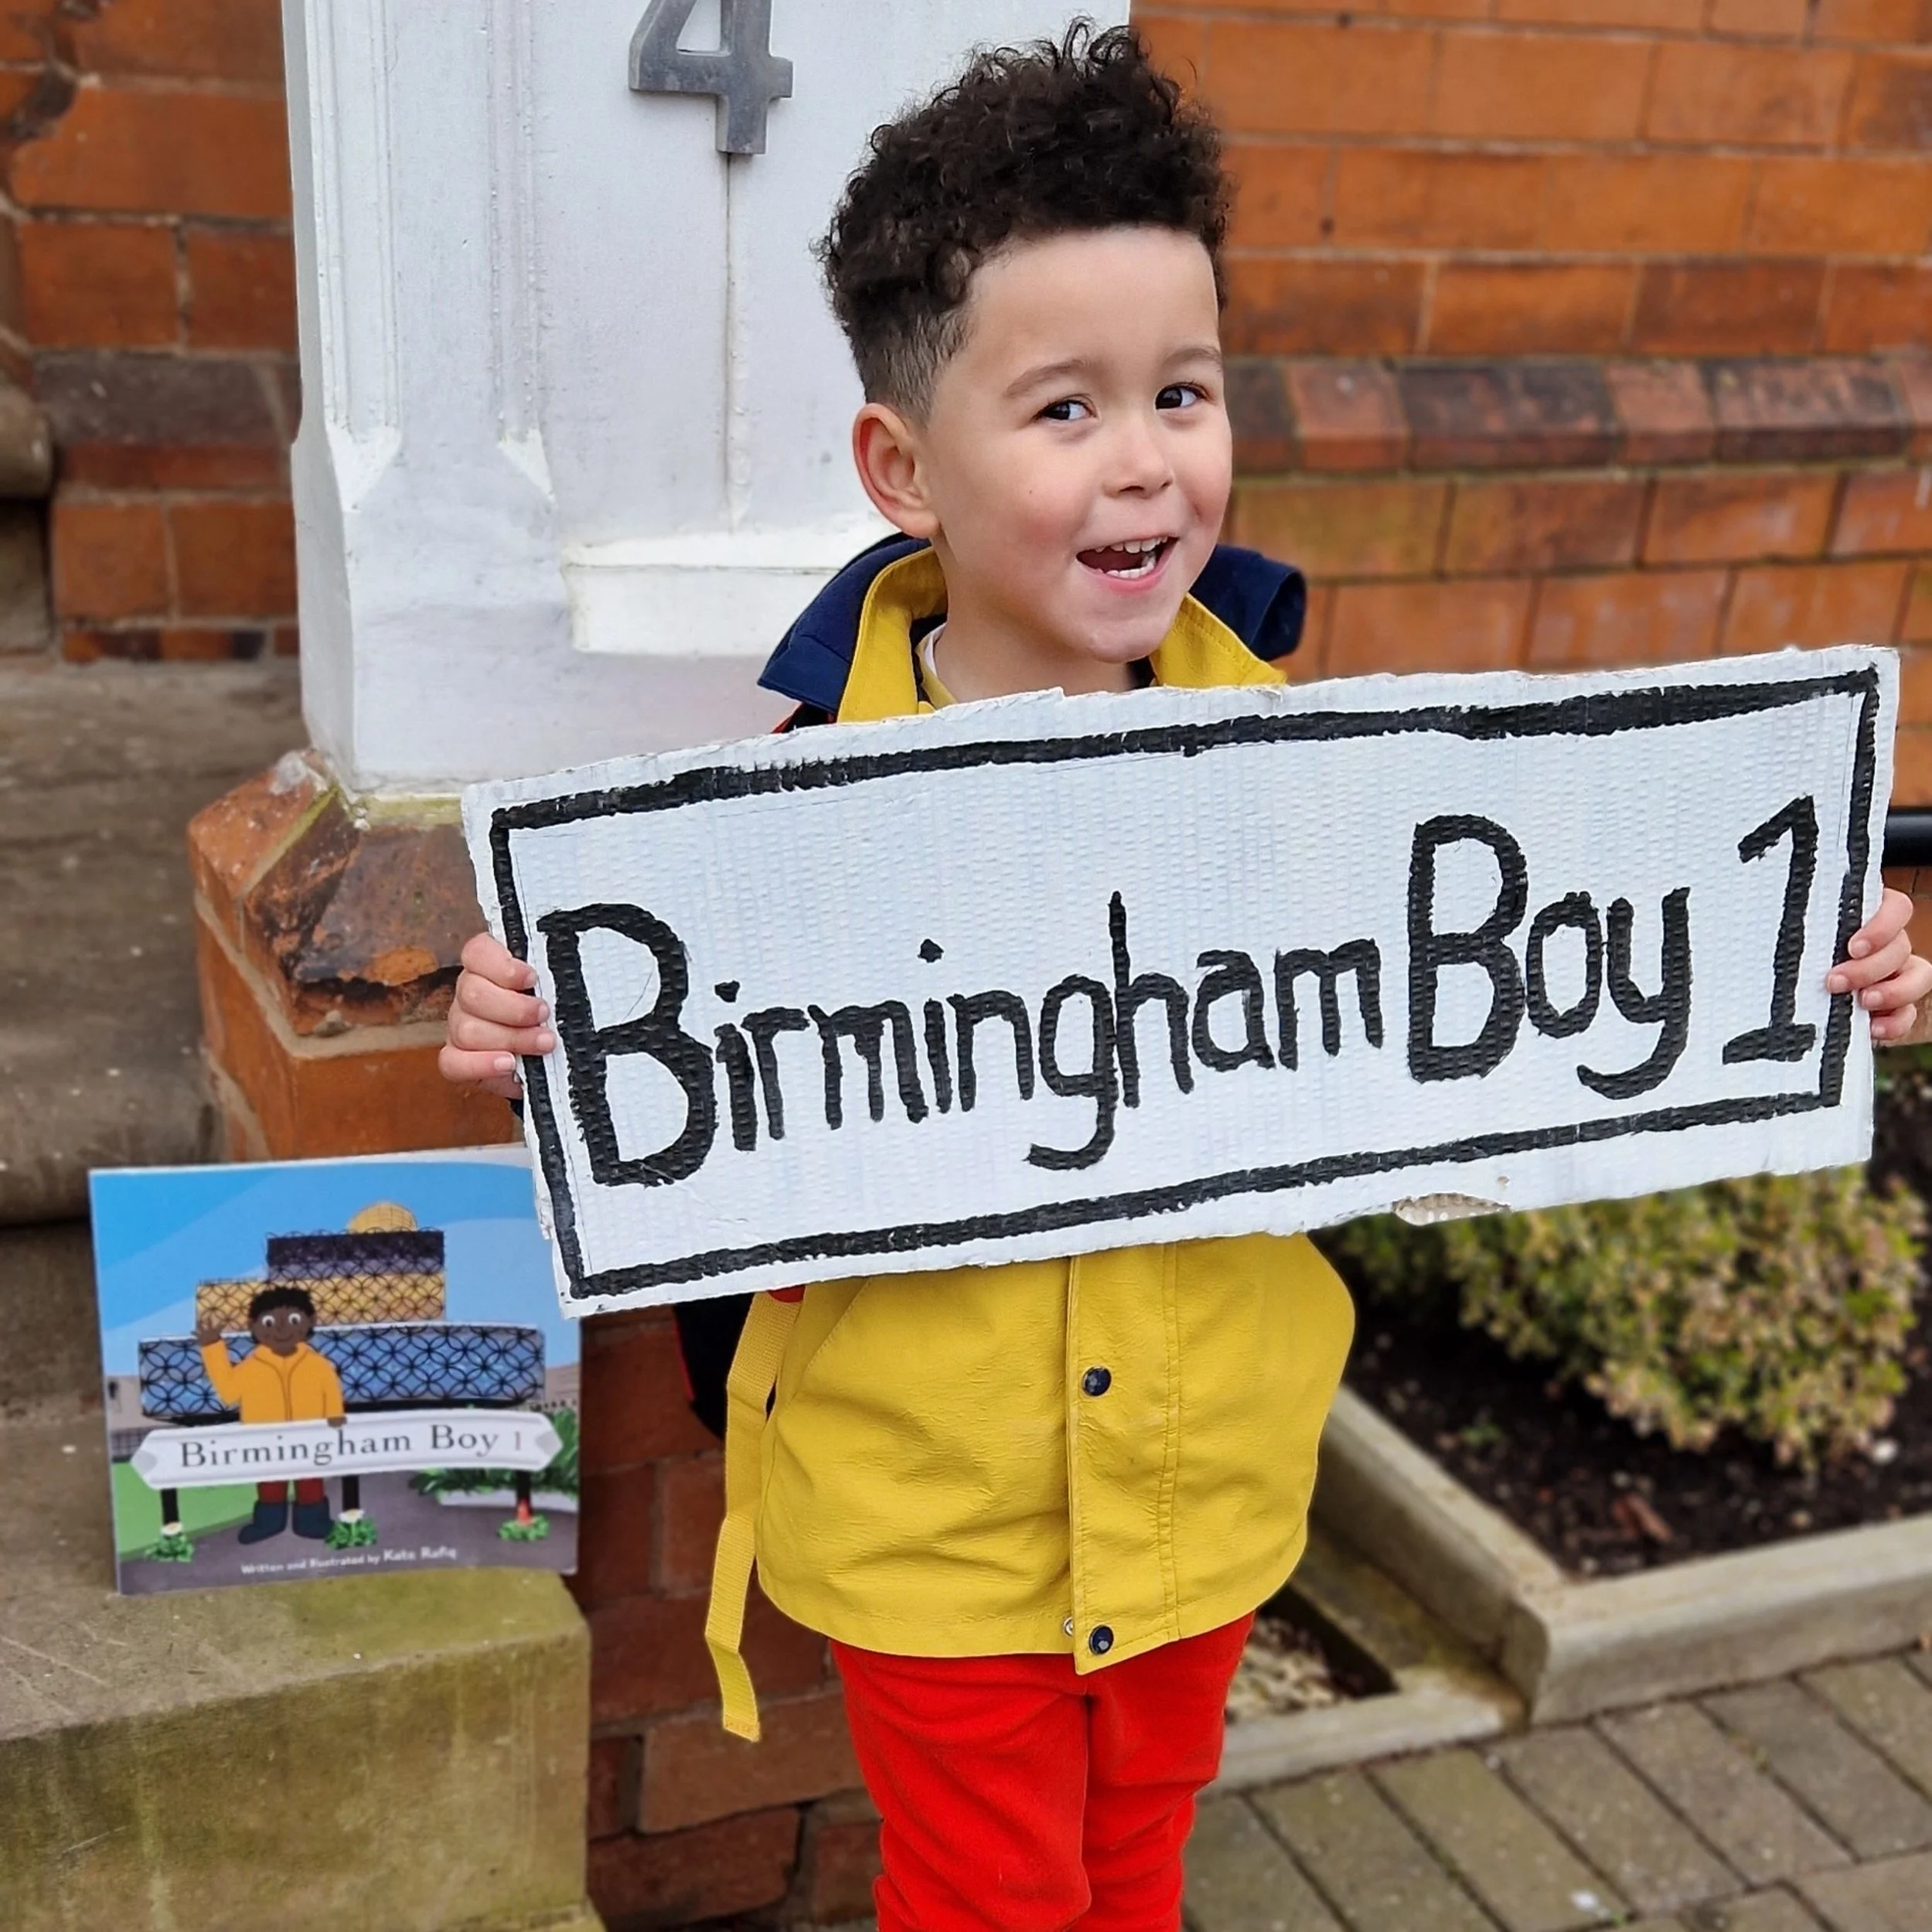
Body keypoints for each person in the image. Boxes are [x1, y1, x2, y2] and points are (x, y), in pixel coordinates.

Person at [441, 27, 1932, 1930]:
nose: (1147, 457)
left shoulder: (1325, 780)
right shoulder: (770, 837)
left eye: (1185, 391)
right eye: (1064, 410)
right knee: (993, 1903)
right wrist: (520, 1038)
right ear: (906, 465)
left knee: (1133, 1881)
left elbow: (1579, 978)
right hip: (935, 1530)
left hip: (1203, 1492)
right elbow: (660, 1095)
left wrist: (1817, 961)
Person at [196, 1284, 347, 1544]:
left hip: (309, 1439)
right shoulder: (250, 1368)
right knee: (269, 1484)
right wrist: (213, 1348)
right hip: (264, 1441)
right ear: (254, 1327)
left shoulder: (318, 1365)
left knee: (310, 1481)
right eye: (268, 1321)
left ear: (310, 1322)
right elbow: (229, 1391)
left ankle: (313, 1522)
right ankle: (269, 1524)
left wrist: (334, 1417)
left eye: (293, 1320)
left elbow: (330, 1390)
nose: (281, 1329)